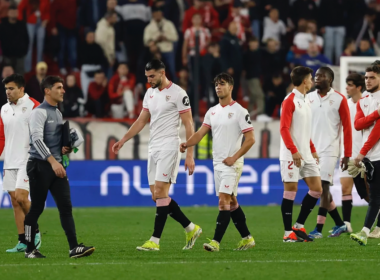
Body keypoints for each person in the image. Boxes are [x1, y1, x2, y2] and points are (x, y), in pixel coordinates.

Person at [112, 59, 202, 251]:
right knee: (157, 195)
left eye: (152, 76)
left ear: (162, 72)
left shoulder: (178, 93)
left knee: (161, 192)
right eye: (147, 77)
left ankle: (155, 241)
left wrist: (190, 154)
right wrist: (123, 139)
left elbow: (189, 124)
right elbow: (141, 120)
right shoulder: (149, 93)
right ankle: (191, 228)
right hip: (153, 147)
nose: (149, 80)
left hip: (171, 146)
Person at [180, 73, 256, 251]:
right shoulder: (212, 111)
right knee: (232, 202)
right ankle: (247, 238)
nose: (218, 87)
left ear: (231, 87)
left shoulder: (240, 111)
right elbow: (200, 133)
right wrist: (187, 143)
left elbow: (251, 139)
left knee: (223, 202)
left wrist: (234, 157)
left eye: (222, 84)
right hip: (217, 164)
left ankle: (215, 242)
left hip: (232, 164)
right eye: (216, 85)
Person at [24, 76, 95, 258]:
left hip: (56, 165)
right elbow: (36, 140)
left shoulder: (57, 113)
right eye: (59, 87)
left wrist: (65, 148)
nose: (63, 90)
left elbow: (53, 141)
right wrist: (53, 161)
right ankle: (29, 249)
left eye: (63, 87)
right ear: (47, 90)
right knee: (37, 209)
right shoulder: (39, 112)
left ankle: (74, 248)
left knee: (66, 207)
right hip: (40, 165)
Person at [307, 67, 352, 239]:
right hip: (312, 151)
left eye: (321, 75)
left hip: (329, 150)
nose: (317, 78)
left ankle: (318, 229)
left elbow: (347, 129)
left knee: (323, 186)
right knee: (320, 188)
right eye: (316, 75)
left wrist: (346, 154)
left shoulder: (340, 99)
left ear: (330, 79)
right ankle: (340, 224)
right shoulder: (308, 98)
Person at [279, 66, 322, 242]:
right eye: (311, 78)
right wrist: (294, 151)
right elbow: (284, 129)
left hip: (305, 153)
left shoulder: (305, 101)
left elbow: (304, 130)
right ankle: (287, 232)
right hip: (291, 154)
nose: (312, 81)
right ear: (304, 80)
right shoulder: (289, 100)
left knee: (317, 189)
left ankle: (298, 226)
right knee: (291, 191)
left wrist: (311, 148)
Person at [1, 74, 41, 253]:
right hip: (9, 160)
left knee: (21, 197)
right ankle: (22, 240)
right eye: (6, 89)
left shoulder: (34, 106)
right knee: (15, 202)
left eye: (11, 89)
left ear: (21, 89)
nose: (7, 92)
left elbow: (43, 132)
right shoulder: (4, 109)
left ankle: (35, 232)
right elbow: (2, 136)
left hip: (27, 159)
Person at [350, 65, 380, 246]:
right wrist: (376, 114)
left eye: (372, 77)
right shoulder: (363, 101)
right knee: (376, 195)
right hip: (372, 156)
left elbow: (377, 131)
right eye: (366, 77)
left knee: (375, 196)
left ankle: (364, 231)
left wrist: (362, 152)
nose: (368, 80)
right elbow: (358, 124)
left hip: (374, 154)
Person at [339, 73, 368, 234]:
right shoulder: (345, 104)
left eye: (350, 85)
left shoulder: (367, 103)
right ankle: (346, 224)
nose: (346, 88)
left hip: (365, 153)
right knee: (345, 187)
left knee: (365, 193)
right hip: (347, 153)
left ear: (358, 87)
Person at [0, 3, 29, 75]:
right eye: (11, 12)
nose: (13, 14)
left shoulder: (22, 25)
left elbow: (27, 39)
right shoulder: (3, 25)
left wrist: (24, 51)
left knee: (20, 76)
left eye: (15, 12)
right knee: (8, 78)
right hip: (7, 56)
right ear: (8, 13)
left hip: (20, 56)